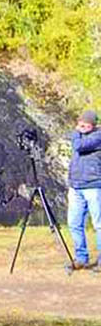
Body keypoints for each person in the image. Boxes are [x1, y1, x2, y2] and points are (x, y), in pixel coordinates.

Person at [68, 109, 101, 269]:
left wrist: (75, 132)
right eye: (80, 124)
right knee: (74, 223)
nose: (81, 127)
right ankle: (81, 258)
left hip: (94, 186)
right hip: (76, 187)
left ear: (94, 126)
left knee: (99, 224)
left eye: (85, 125)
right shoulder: (79, 135)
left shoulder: (98, 136)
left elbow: (79, 146)